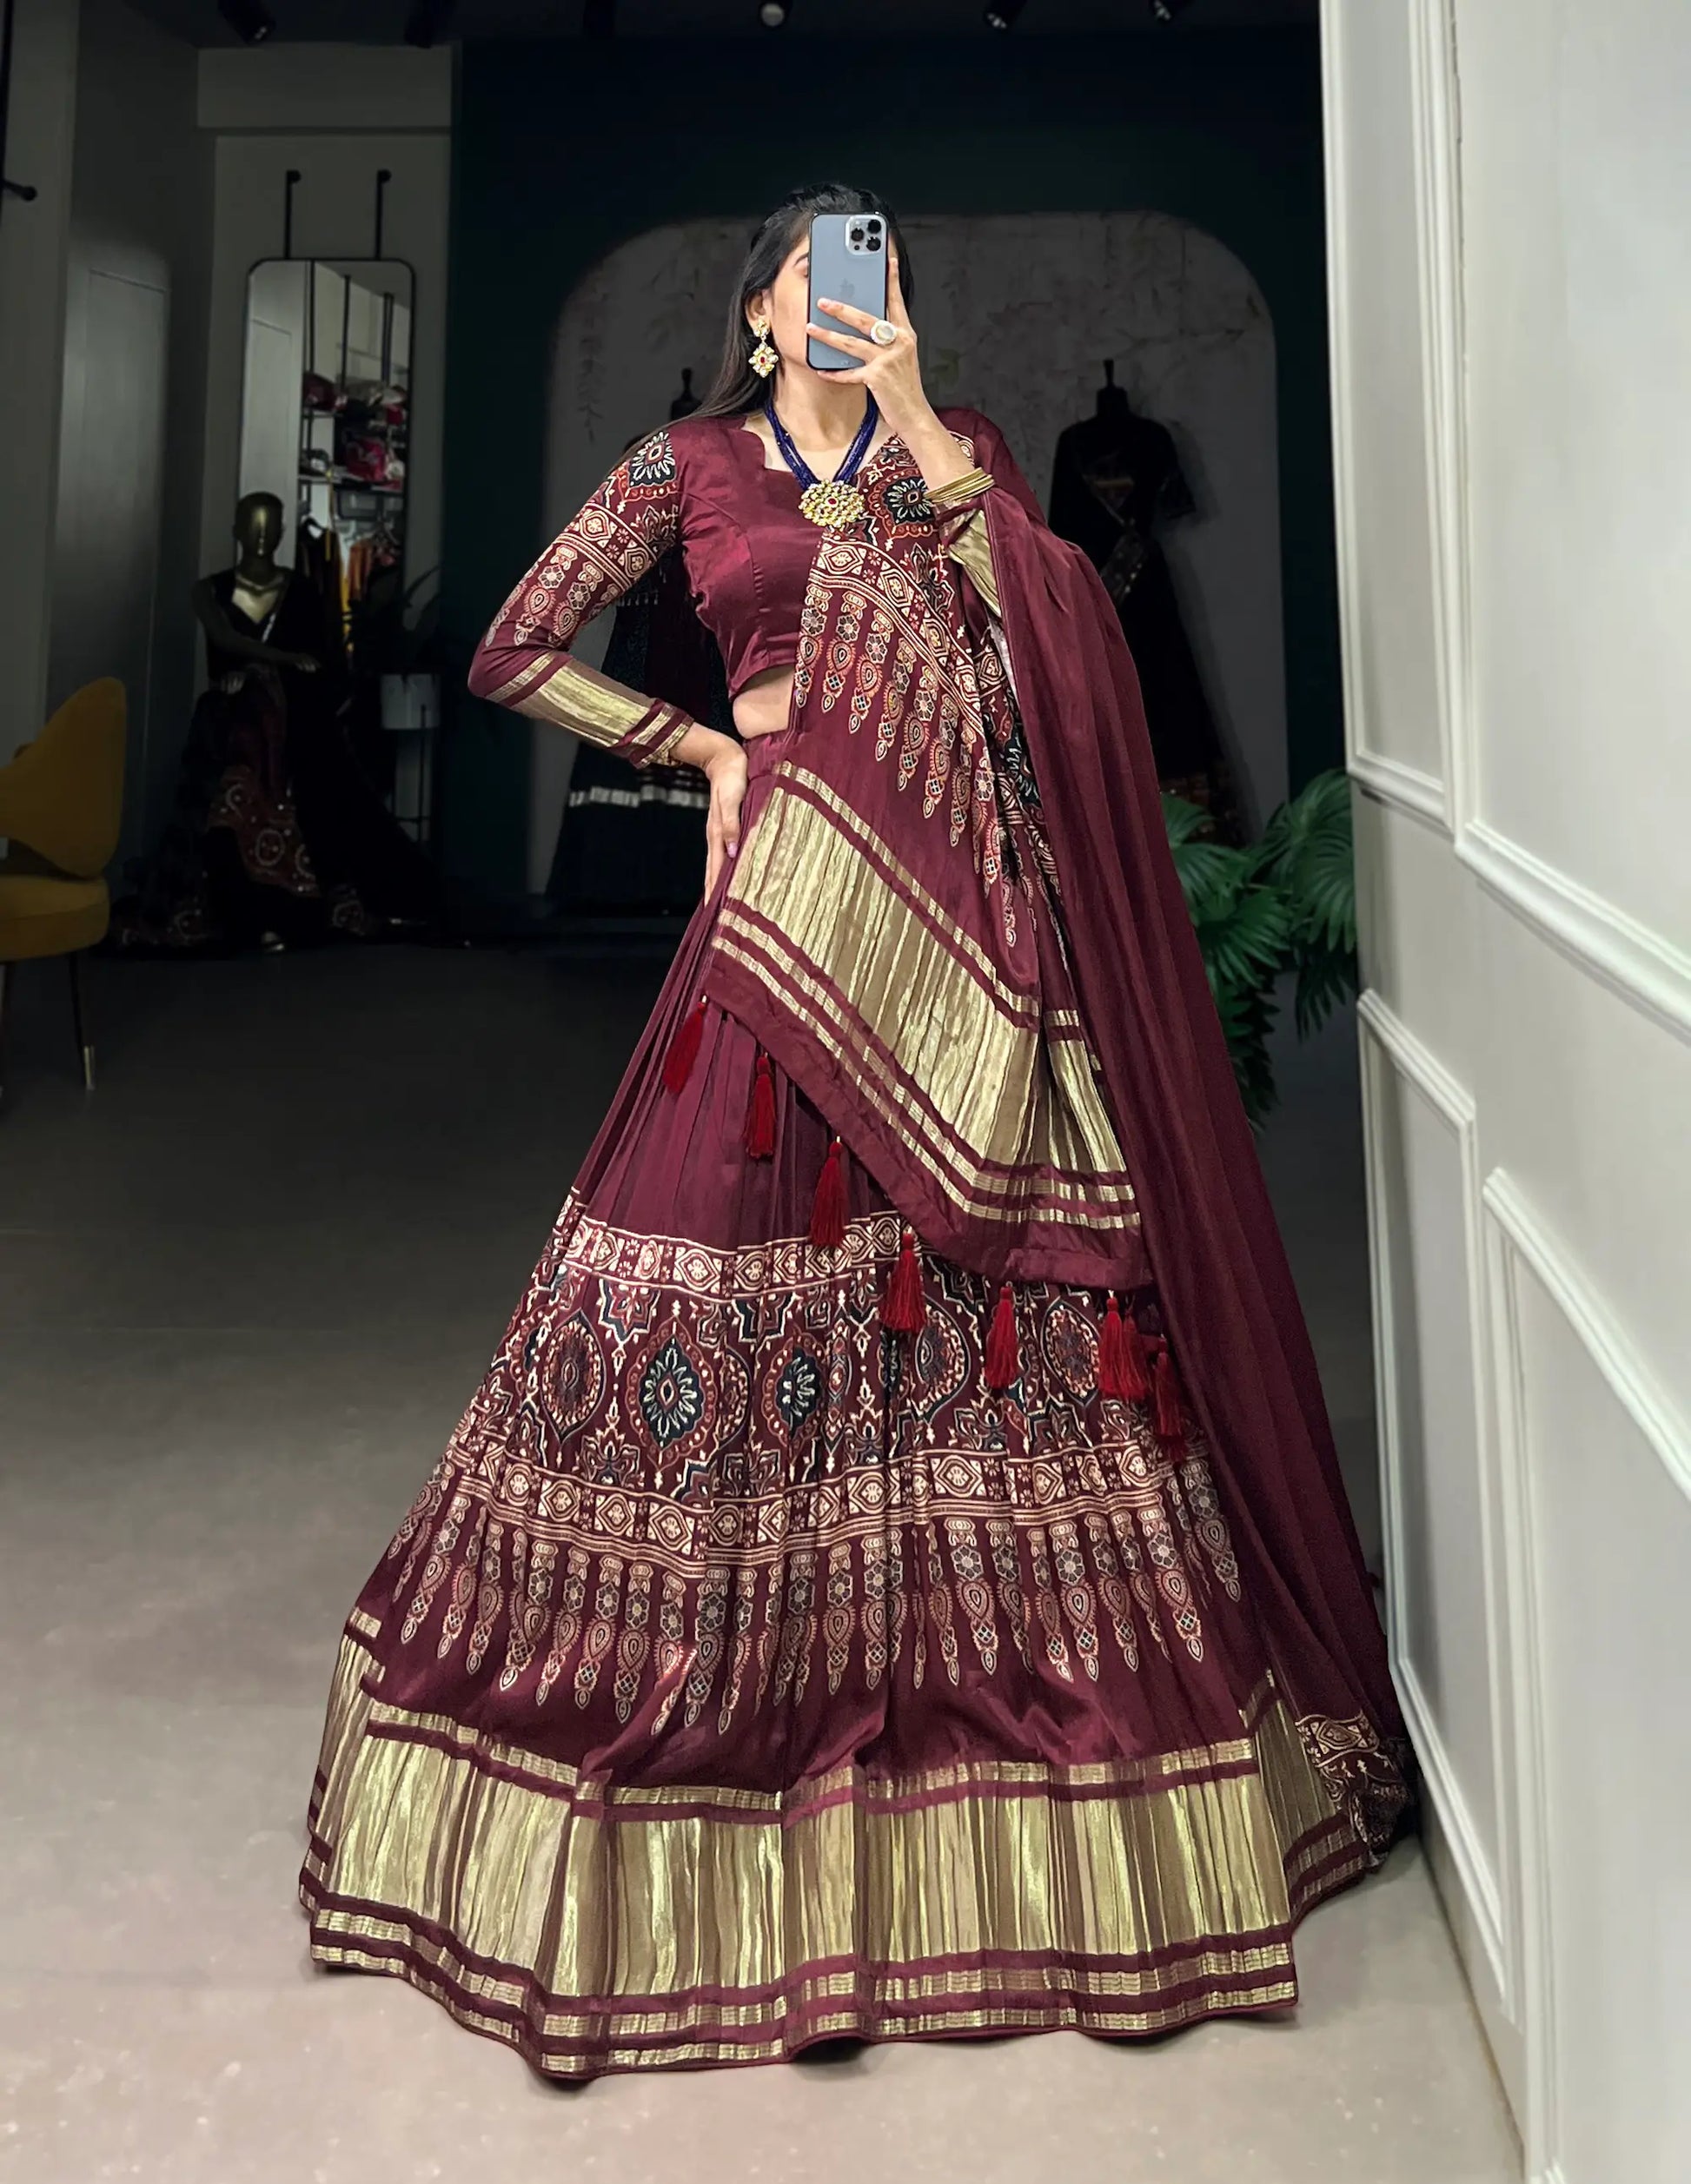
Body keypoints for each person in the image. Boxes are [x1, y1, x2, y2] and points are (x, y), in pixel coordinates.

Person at [298, 185, 1410, 2080]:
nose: (844, 301)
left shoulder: (952, 446)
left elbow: (1056, 645)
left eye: (873, 280)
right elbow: (513, 647)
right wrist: (705, 750)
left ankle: (1028, 1736)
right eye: (815, 282)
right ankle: (736, 1700)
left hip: (975, 940)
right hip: (789, 917)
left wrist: (913, 419)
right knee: (726, 1269)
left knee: (1021, 1314)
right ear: (756, 315)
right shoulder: (689, 468)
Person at [109, 493, 439, 956]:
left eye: (271, 524)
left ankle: (298, 906)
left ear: (283, 531)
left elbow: (324, 658)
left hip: (295, 717)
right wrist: (276, 661)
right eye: (252, 523)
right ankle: (238, 910)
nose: (261, 534)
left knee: (320, 790)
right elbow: (225, 638)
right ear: (236, 529)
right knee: (226, 798)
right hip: (234, 718)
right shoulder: (209, 590)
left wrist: (290, 677)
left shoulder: (302, 590)